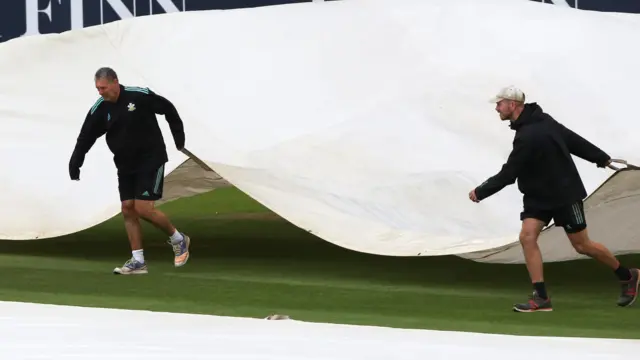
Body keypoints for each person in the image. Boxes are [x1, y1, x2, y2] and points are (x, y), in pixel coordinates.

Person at [468, 85, 639, 312]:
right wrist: (603, 159)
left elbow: (510, 173)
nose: (496, 108)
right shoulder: (539, 122)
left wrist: (481, 191)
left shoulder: (529, 135)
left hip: (564, 195)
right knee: (527, 237)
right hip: (538, 197)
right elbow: (572, 139)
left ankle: (628, 276)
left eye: (499, 103)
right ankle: (541, 298)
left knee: (582, 245)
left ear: (513, 105)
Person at [68, 67, 191, 275]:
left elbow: (168, 108)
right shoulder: (100, 109)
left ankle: (179, 240)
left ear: (115, 82)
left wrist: (179, 138)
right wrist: (75, 163)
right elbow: (85, 136)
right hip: (125, 164)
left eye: (103, 87)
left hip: (150, 159)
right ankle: (138, 261)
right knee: (127, 208)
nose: (100, 92)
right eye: (97, 88)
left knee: (143, 208)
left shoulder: (138, 96)